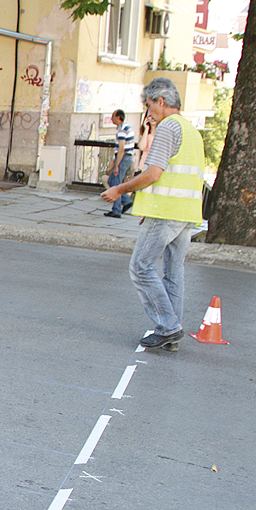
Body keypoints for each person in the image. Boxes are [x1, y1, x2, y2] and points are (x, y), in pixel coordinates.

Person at [101, 77, 206, 350]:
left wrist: (119, 190)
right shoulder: (191, 131)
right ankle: (172, 329)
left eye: (149, 106)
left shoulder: (168, 127)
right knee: (173, 272)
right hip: (186, 212)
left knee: (141, 267)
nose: (148, 113)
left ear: (161, 102)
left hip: (166, 212)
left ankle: (169, 327)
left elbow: (153, 174)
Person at [104, 109, 135, 218]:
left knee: (115, 183)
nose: (111, 119)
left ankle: (118, 208)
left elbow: (121, 149)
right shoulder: (127, 127)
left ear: (118, 117)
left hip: (123, 158)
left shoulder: (122, 130)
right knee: (112, 180)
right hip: (127, 157)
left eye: (113, 116)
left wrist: (116, 165)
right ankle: (125, 201)